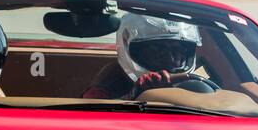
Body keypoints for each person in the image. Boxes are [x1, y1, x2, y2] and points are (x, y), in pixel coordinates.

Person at [83, 13, 217, 100]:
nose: (171, 59)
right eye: (158, 50)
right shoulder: (112, 80)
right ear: (127, 47)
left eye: (178, 50)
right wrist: (135, 95)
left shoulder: (196, 82)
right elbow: (91, 120)